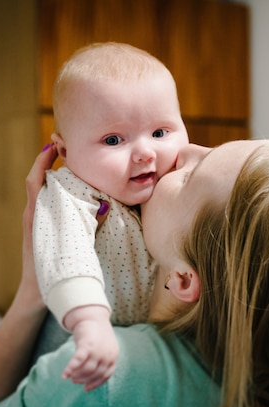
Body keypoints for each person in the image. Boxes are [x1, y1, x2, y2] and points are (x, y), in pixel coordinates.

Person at [0, 138, 269, 407]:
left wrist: (31, 293)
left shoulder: (101, 375)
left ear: (185, 279)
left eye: (189, 178)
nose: (180, 150)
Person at [32, 42, 189, 389]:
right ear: (64, 151)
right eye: (114, 139)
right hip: (77, 342)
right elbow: (66, 252)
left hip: (148, 341)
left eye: (160, 133)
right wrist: (90, 322)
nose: (146, 153)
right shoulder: (73, 191)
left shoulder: (174, 181)